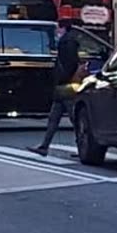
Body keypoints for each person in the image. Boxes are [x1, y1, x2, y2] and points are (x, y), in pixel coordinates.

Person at [29, 20, 82, 156]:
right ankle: (44, 146)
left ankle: (83, 147)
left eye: (58, 28)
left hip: (66, 85)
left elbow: (70, 63)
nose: (57, 31)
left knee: (72, 118)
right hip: (63, 86)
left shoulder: (67, 42)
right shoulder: (69, 40)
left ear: (63, 28)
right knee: (55, 117)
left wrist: (63, 77)